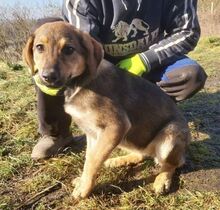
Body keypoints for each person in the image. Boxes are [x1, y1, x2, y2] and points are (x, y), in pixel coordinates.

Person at [31, 0, 207, 159]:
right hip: (102, 63)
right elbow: (85, 44)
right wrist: (54, 70)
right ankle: (57, 134)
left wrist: (145, 60)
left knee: (190, 75)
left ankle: (147, 126)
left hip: (151, 58)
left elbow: (188, 32)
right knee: (46, 33)